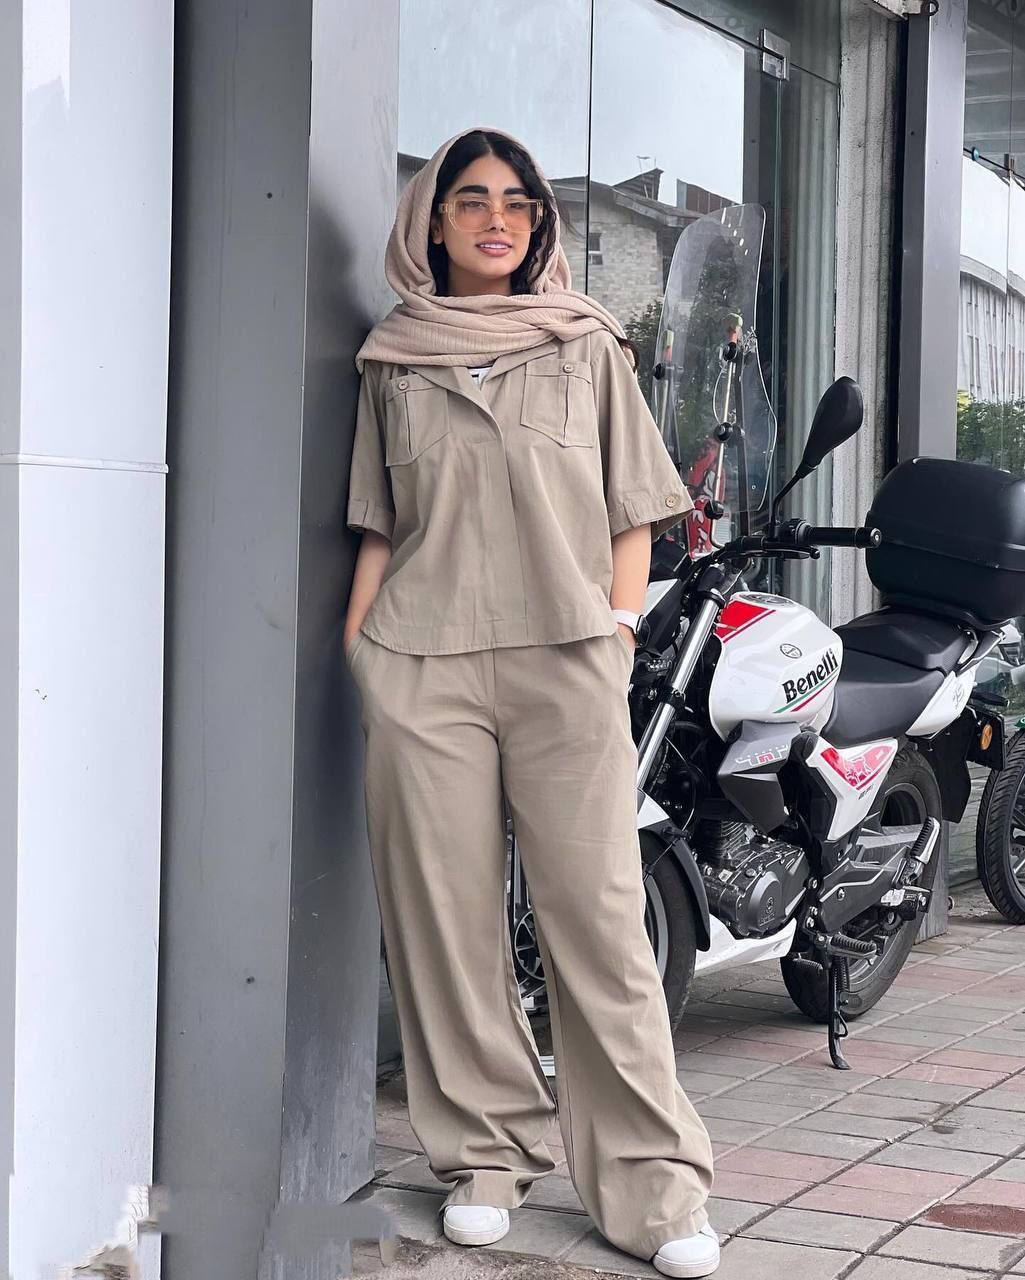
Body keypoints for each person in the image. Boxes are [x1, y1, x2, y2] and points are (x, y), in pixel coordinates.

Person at [343, 125, 717, 1278]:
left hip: (564, 661)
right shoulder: (392, 359)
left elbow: (635, 513)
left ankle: (652, 1186)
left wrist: (615, 632)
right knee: (444, 925)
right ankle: (482, 1155)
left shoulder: (585, 343)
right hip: (423, 664)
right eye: (470, 200)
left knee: (597, 920)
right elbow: (379, 523)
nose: (495, 219)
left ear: (539, 226)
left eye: (516, 202)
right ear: (432, 222)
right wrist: (359, 646)